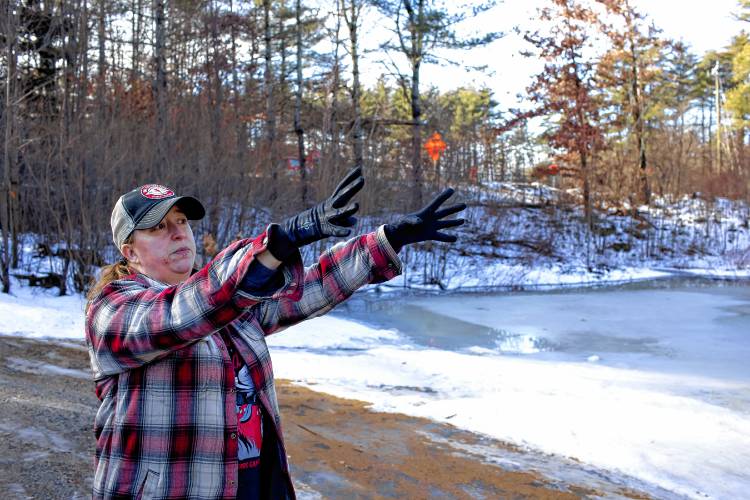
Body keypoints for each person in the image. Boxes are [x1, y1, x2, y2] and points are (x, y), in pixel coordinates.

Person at [85, 168, 466, 499]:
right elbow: (180, 316)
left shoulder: (229, 301)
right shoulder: (114, 309)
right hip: (168, 489)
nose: (177, 233)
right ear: (130, 253)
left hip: (248, 482)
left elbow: (307, 291)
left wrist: (385, 242)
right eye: (158, 228)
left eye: (181, 222)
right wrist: (278, 243)